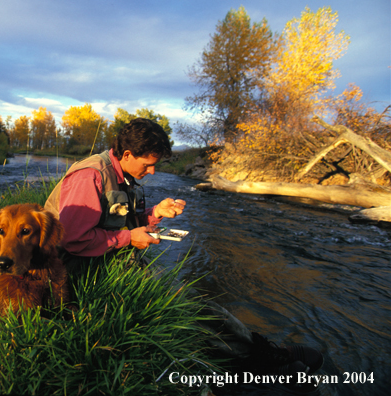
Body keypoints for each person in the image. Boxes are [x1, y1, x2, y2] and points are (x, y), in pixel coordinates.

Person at [45, 118, 323, 389]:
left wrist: (155, 213)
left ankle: (258, 352)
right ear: (127, 154)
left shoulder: (124, 174)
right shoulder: (90, 176)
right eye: (149, 165)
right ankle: (257, 360)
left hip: (104, 256)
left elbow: (120, 221)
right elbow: (72, 239)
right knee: (187, 302)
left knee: (192, 300)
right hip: (73, 267)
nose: (152, 172)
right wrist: (129, 238)